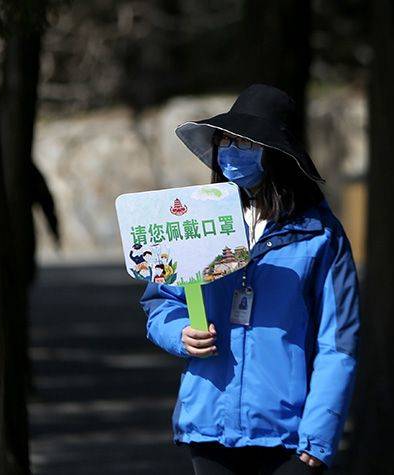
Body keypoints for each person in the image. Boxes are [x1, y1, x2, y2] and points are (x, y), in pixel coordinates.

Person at [139, 84, 360, 474]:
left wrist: (319, 435)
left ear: (276, 155)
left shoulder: (321, 235)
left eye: (245, 144)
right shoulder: (194, 224)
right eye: (226, 142)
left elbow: (337, 342)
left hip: (288, 438)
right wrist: (179, 334)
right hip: (208, 426)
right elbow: (161, 301)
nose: (230, 153)